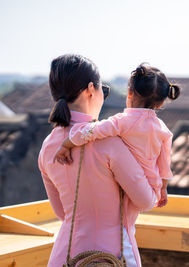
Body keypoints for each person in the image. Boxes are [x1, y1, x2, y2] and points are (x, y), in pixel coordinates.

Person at [38, 54, 157, 267]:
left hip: (64, 257)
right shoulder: (109, 142)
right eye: (105, 90)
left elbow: (62, 212)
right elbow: (146, 200)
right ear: (90, 90)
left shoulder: (48, 146)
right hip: (111, 257)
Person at [54, 63, 181, 208]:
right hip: (152, 191)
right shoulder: (162, 128)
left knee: (105, 140)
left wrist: (67, 143)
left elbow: (91, 132)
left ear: (129, 93)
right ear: (160, 103)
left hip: (135, 190)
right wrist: (163, 189)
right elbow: (164, 164)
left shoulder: (123, 121)